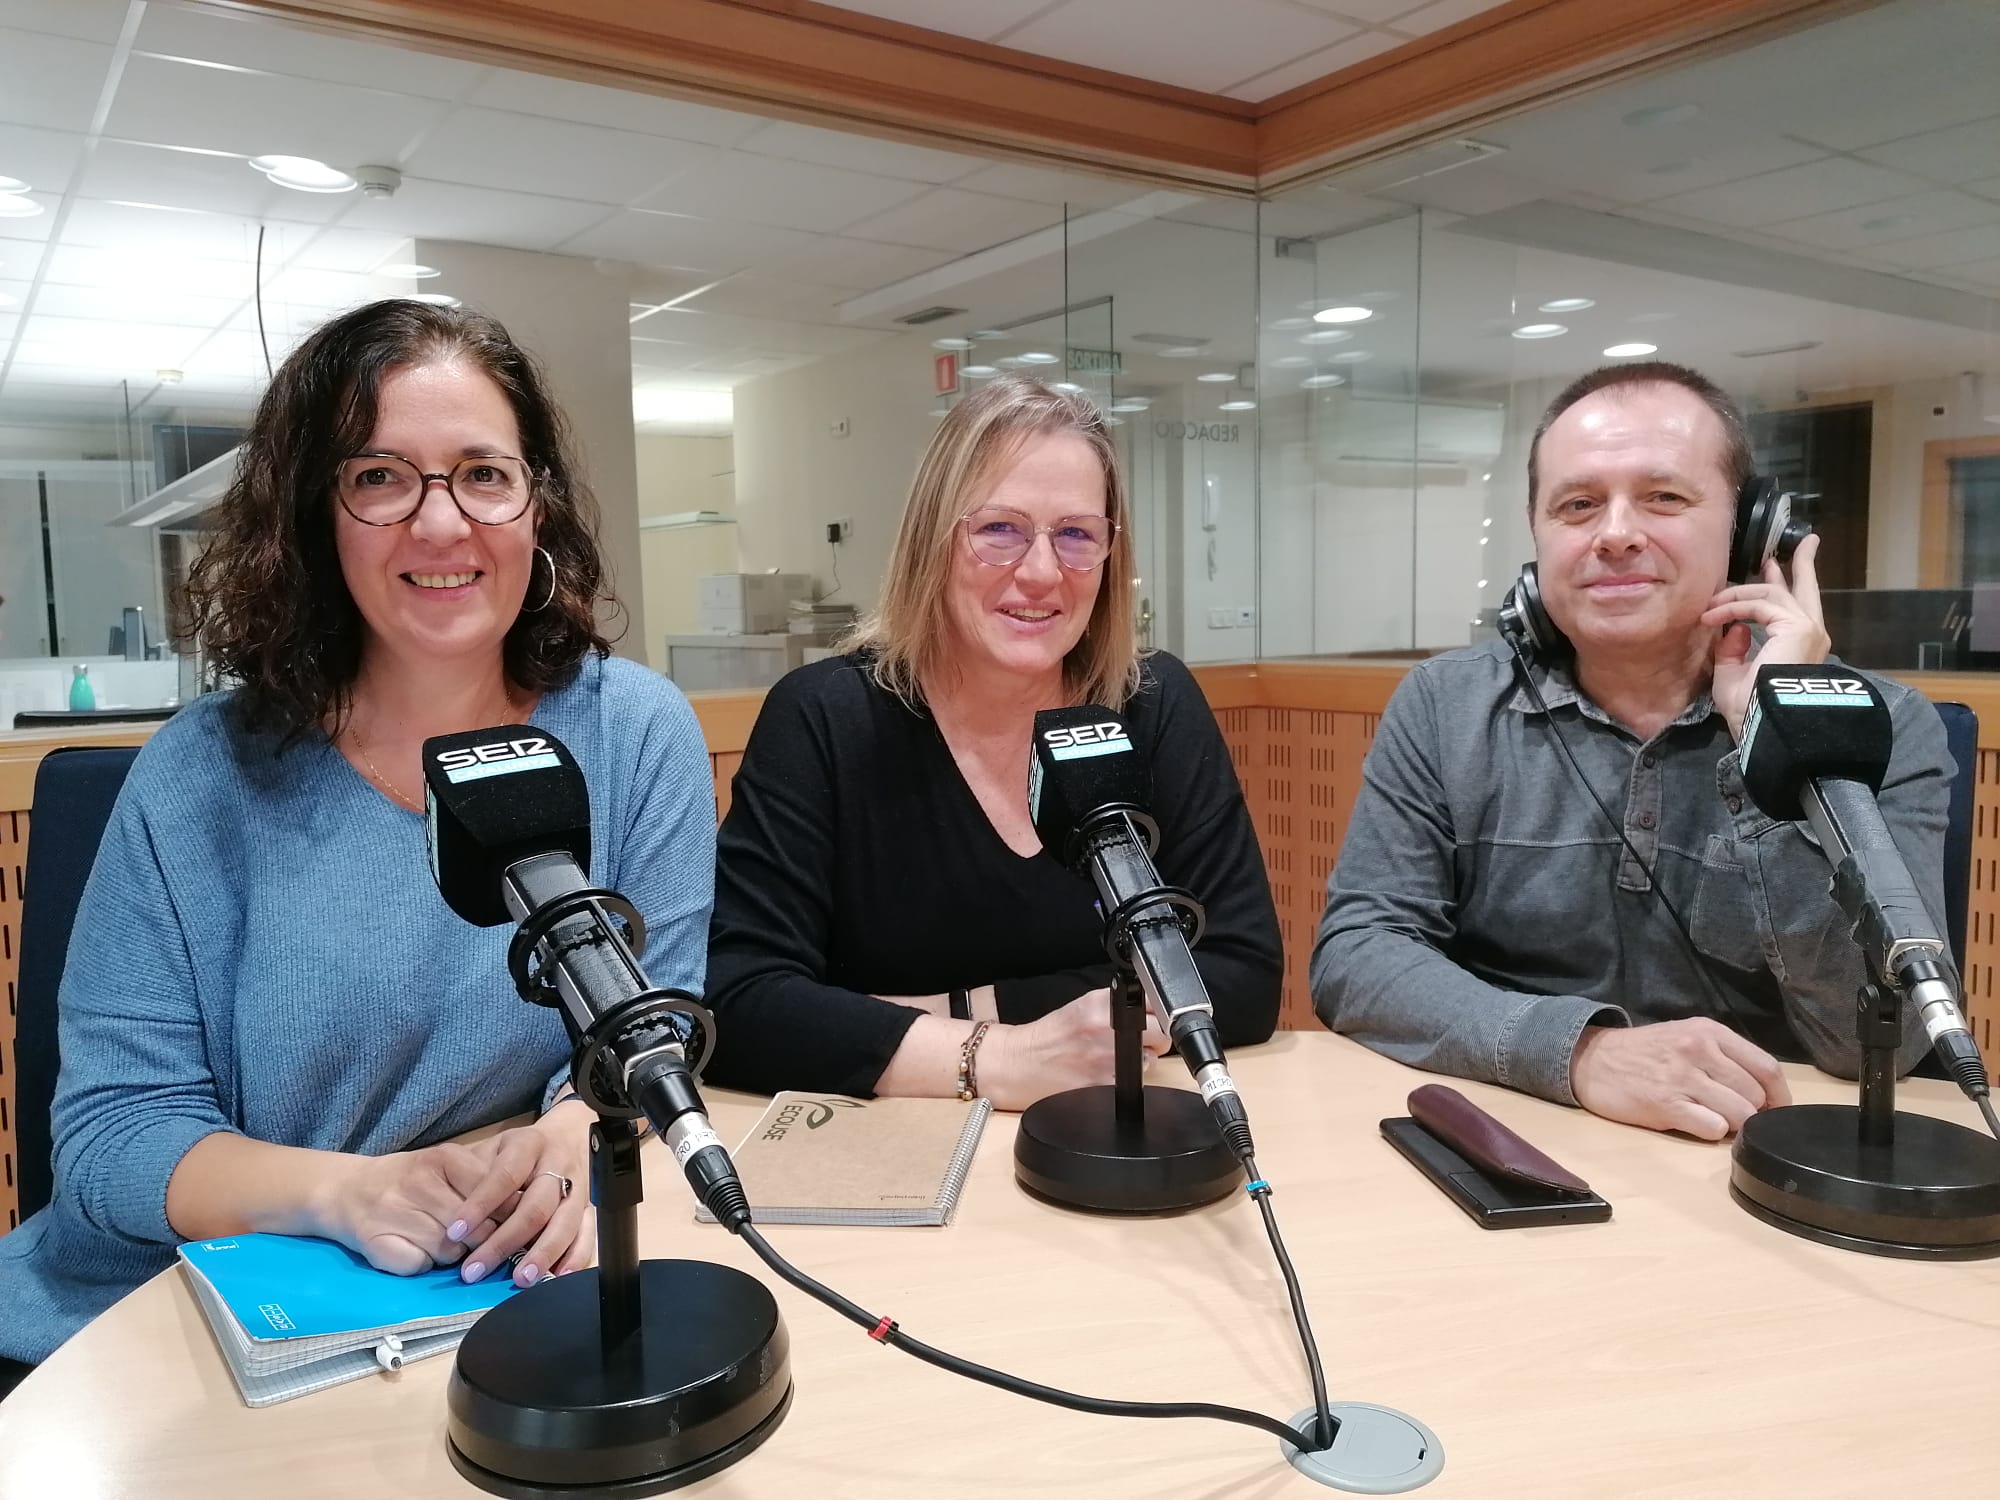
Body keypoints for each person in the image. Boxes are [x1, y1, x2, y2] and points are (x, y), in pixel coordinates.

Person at [0, 300, 715, 1387]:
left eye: (483, 473)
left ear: (537, 506)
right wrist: (343, 1191)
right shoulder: (201, 776)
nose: (441, 525)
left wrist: (577, 1133)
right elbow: (107, 1144)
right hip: (182, 1324)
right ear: (314, 516)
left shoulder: (632, 732)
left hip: (490, 1303)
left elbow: (646, 1027)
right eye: (380, 477)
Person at [1312, 361, 1953, 1140]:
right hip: (1524, 1130)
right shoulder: (1447, 707)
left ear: (1751, 533)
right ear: (1539, 536)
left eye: (1664, 498)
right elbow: (1360, 957)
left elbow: (1875, 1040)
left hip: (1771, 1149)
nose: (1615, 534)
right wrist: (1581, 1055)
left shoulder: (1890, 726)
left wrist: (1777, 739)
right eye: (1578, 505)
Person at [702, 376, 1280, 1106]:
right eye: (999, 529)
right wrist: (1000, 1056)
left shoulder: (1153, 704)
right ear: (933, 541)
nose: (1041, 572)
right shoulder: (824, 719)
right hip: (897, 1154)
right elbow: (740, 1000)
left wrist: (927, 1014)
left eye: (1076, 535)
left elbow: (1242, 975)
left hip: (1112, 1127)